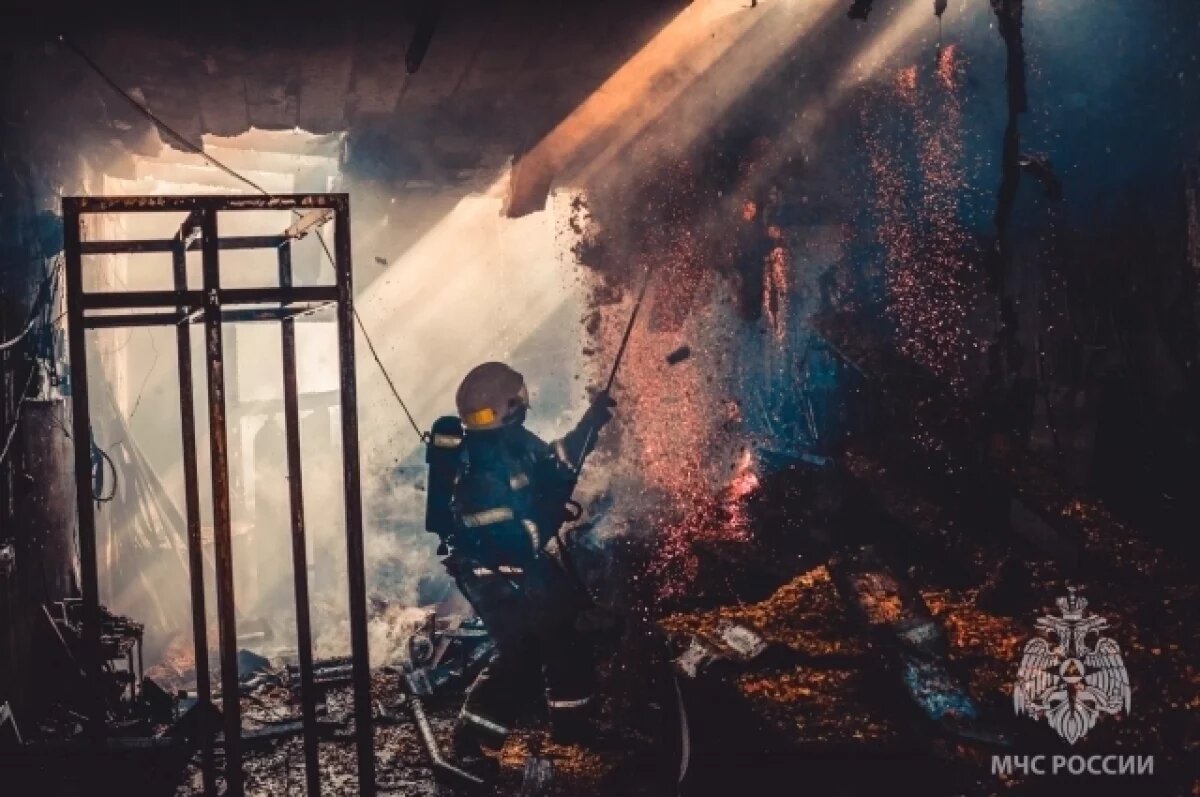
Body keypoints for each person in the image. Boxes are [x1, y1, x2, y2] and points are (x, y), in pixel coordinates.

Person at [439, 362, 615, 768]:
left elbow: (555, 465)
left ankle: (573, 724)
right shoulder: (477, 468)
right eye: (519, 401)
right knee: (522, 652)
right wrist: (547, 514)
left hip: (520, 564)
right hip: (490, 572)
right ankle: (474, 742)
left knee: (565, 624)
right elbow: (513, 541)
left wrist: (591, 424)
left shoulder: (511, 441)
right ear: (508, 405)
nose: (525, 407)